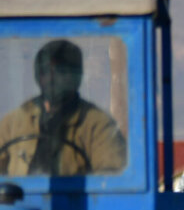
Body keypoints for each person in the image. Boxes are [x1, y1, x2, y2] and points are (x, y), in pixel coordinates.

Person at [0, 39, 126, 176]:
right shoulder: (14, 122)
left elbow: (111, 181)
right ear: (38, 75)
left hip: (75, 197)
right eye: (46, 71)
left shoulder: (97, 125)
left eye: (61, 72)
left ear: (76, 76)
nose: (52, 79)